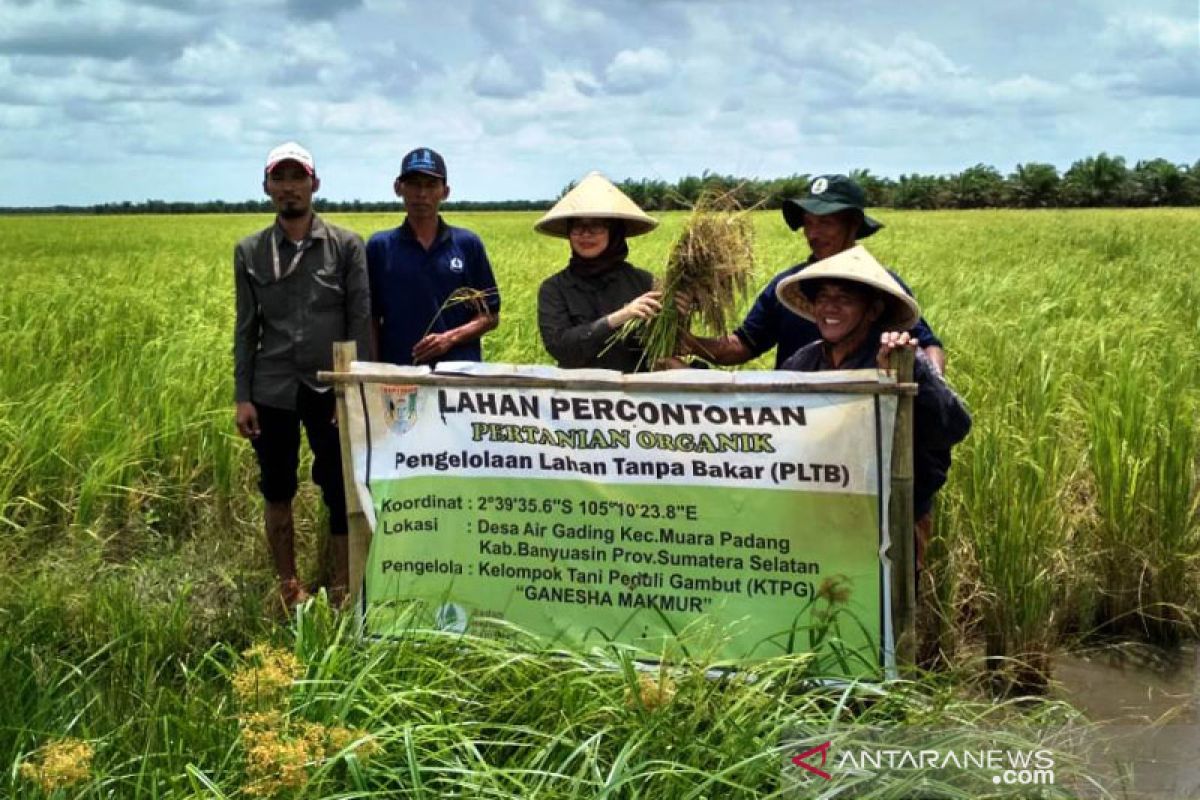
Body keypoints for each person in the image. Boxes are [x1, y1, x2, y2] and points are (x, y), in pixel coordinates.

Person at [233, 142, 371, 608]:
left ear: (315, 184)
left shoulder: (346, 246)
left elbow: (359, 320)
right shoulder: (250, 251)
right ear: (267, 186)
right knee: (277, 486)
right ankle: (288, 585)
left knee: (338, 486)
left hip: (329, 387)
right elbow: (246, 327)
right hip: (272, 389)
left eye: (298, 177)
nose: (289, 187)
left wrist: (350, 392)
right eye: (280, 178)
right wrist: (243, 395)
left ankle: (340, 585)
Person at [775, 245, 971, 567]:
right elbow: (776, 429)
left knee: (889, 610)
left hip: (893, 518)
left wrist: (904, 376)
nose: (830, 307)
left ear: (873, 310)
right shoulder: (804, 361)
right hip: (821, 514)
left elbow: (954, 427)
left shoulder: (902, 358)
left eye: (845, 298)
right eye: (823, 296)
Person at [682, 174, 946, 374]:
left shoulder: (880, 286)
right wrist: (689, 342)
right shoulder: (789, 286)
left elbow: (927, 346)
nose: (813, 234)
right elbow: (742, 345)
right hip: (798, 420)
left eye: (825, 222)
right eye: (808, 223)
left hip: (860, 423)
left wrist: (934, 386)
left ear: (853, 225)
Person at [367, 148, 500, 366]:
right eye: (414, 184)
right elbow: (371, 318)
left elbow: (490, 315)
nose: (422, 194)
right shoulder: (380, 247)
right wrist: (375, 372)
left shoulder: (467, 245)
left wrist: (449, 339)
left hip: (457, 376)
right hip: (399, 376)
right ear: (398, 188)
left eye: (431, 185)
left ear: (445, 192)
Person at [534, 171, 664, 373]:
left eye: (596, 226)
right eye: (577, 227)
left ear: (615, 233)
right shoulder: (554, 288)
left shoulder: (643, 283)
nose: (586, 234)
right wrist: (620, 317)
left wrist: (678, 311)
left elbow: (665, 346)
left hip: (636, 396)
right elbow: (561, 347)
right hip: (578, 399)